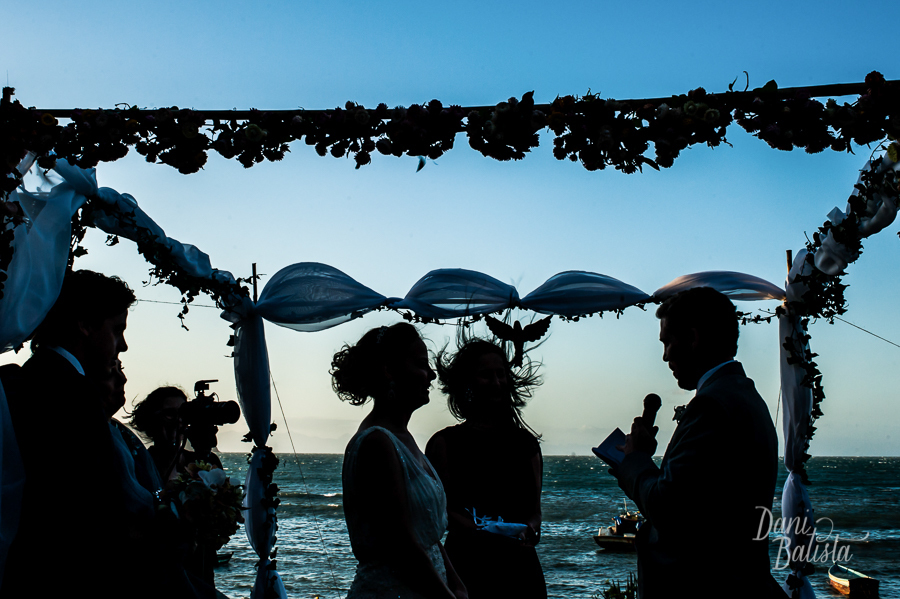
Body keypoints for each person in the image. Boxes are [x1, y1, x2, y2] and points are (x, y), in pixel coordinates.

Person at [612, 287, 783, 599]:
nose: (664, 356)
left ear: (692, 338)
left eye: (667, 342)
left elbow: (669, 508)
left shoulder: (711, 406)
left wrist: (634, 461)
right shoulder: (744, 395)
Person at [0, 269, 135, 598]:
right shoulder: (70, 392)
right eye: (117, 330)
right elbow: (84, 505)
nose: (124, 346)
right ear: (85, 325)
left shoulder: (36, 377)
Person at [331, 323, 467, 599]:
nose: (430, 374)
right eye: (420, 364)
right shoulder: (377, 443)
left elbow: (426, 536)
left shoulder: (403, 438)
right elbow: (401, 544)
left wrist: (457, 584)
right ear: (388, 370)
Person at [425, 337, 546, 599]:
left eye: (501, 374)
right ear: (467, 384)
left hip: (520, 570)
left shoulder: (525, 444)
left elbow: (534, 511)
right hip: (468, 569)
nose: (496, 382)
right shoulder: (444, 444)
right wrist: (479, 529)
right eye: (486, 375)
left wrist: (531, 529)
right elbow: (441, 511)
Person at [129, 386, 223, 483]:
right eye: (170, 414)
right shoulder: (139, 465)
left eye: (183, 414)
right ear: (152, 421)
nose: (178, 420)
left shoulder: (207, 461)